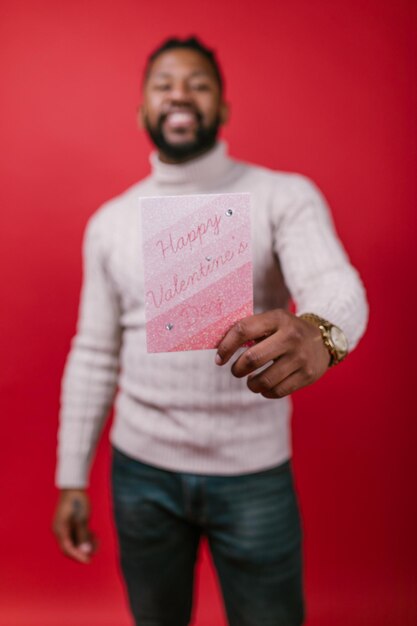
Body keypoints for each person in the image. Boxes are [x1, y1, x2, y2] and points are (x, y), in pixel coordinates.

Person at [52, 36, 368, 626]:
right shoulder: (109, 223)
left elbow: (335, 282)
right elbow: (93, 352)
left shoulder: (283, 196)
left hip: (253, 474)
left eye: (197, 84)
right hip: (140, 473)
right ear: (143, 108)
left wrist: (323, 332)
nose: (179, 93)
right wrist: (71, 476)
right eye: (163, 83)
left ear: (221, 108)